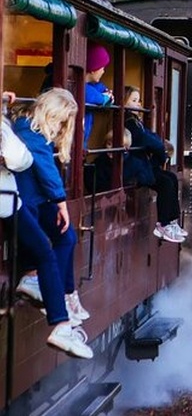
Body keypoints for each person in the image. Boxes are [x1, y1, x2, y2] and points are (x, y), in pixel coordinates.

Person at [3, 91, 93, 359]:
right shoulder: (28, 129)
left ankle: (66, 295)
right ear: (49, 111)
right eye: (60, 120)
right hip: (21, 203)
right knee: (45, 249)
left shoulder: (25, 128)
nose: (60, 127)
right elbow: (41, 165)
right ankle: (58, 315)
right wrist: (61, 202)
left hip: (30, 202)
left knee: (66, 238)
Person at [123, 86, 187, 243]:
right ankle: (163, 224)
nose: (138, 104)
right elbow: (145, 139)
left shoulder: (135, 121)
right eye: (134, 100)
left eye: (139, 101)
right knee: (165, 183)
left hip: (142, 163)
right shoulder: (128, 121)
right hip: (135, 167)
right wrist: (160, 150)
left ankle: (172, 221)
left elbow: (150, 136)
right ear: (124, 102)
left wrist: (159, 146)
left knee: (171, 177)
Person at [83, 43, 114, 148]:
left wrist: (107, 94)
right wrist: (105, 98)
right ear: (93, 69)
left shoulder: (94, 85)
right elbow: (92, 96)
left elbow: (100, 89)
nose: (103, 71)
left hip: (83, 134)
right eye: (102, 68)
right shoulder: (82, 87)